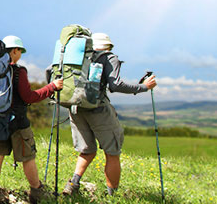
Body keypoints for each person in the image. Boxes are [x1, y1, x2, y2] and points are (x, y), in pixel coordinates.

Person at [62, 33, 157, 196]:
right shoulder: (108, 57)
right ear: (108, 46)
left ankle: (72, 184)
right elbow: (115, 84)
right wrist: (144, 87)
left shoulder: (76, 57)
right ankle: (111, 196)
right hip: (98, 109)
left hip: (75, 107)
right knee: (112, 152)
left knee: (87, 150)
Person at [0, 36, 63, 204]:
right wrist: (52, 87)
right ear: (14, 51)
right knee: (28, 156)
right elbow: (29, 97)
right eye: (19, 51)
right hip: (18, 122)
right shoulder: (19, 71)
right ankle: (37, 192)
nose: (20, 54)